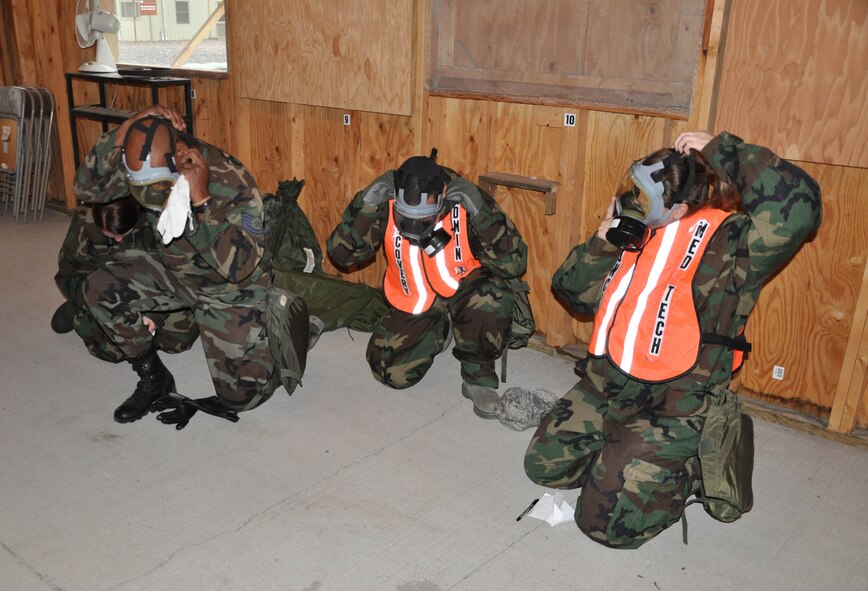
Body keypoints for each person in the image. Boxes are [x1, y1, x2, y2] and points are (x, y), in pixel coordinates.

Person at [523, 131, 822, 548]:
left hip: (678, 402)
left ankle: (683, 471)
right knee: (544, 466)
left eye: (644, 197)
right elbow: (571, 291)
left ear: (679, 206)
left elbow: (802, 208)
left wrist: (722, 148)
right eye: (634, 190)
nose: (633, 202)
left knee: (601, 527)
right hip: (612, 381)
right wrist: (602, 241)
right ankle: (624, 457)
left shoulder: (734, 243)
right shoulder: (635, 227)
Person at [73, 105, 279, 427]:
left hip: (227, 290)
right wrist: (125, 130)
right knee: (99, 288)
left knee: (242, 398)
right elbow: (86, 188)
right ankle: (154, 379)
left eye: (157, 189)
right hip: (173, 270)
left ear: (178, 156)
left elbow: (240, 267)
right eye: (142, 190)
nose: (150, 199)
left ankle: (286, 325)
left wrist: (202, 200)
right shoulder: (144, 164)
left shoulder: (230, 179)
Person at [327, 151, 528, 418]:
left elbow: (514, 265)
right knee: (389, 372)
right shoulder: (385, 200)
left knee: (491, 296)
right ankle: (440, 329)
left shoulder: (463, 199)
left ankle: (477, 377)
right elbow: (342, 255)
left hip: (464, 289)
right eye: (405, 217)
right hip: (417, 297)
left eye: (422, 220)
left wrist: (482, 212)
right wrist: (365, 205)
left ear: (440, 200)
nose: (412, 227)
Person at [52, 195, 199, 362]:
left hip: (152, 291)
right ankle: (79, 310)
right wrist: (90, 299)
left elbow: (177, 275)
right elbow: (70, 273)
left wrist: (152, 314)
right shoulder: (84, 220)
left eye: (124, 234)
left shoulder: (160, 217)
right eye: (110, 235)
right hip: (105, 294)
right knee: (113, 351)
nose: (118, 240)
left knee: (178, 341)